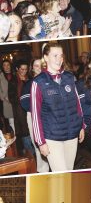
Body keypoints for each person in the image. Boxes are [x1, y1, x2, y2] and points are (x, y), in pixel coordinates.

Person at [31, 43, 85, 172]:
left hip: (72, 134)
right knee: (61, 173)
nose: (59, 59)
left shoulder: (69, 77)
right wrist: (41, 142)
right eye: (54, 55)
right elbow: (35, 115)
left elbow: (77, 104)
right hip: (52, 137)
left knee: (69, 171)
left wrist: (81, 126)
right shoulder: (38, 82)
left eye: (61, 56)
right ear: (46, 57)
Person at [20, 58, 49, 173]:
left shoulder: (49, 81)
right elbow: (24, 101)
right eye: (36, 66)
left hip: (49, 117)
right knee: (38, 144)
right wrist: (39, 109)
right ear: (32, 69)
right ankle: (43, 170)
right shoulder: (29, 83)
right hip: (33, 116)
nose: (39, 68)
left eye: (41, 65)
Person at [8, 60, 34, 156]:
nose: (24, 71)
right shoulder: (13, 81)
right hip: (20, 110)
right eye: (22, 69)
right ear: (17, 69)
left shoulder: (30, 78)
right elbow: (11, 97)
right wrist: (21, 100)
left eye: (26, 69)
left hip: (31, 108)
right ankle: (30, 154)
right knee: (24, 131)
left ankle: (34, 151)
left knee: (33, 128)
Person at [0, 60, 14, 132]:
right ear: (2, 67)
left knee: (18, 120)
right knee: (10, 121)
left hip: (16, 101)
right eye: (4, 65)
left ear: (10, 65)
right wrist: (3, 97)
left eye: (8, 65)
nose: (6, 67)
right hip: (6, 101)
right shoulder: (1, 76)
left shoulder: (15, 74)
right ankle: (14, 138)